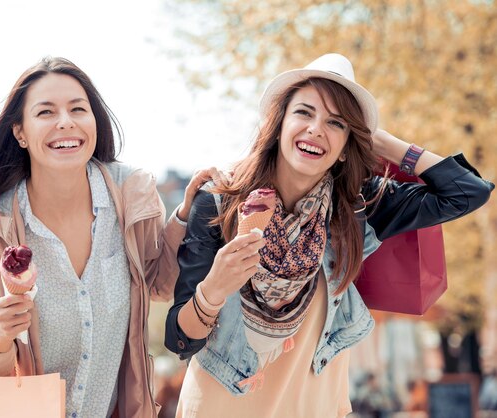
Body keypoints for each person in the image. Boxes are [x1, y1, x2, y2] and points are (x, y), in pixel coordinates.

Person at [164, 53, 494, 417]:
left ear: (344, 146)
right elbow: (179, 339)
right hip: (222, 404)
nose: (316, 129)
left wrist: (384, 143)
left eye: (336, 123)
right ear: (279, 125)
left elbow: (468, 192)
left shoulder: (359, 208)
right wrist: (212, 289)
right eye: (304, 112)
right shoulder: (221, 202)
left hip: (314, 404)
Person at [0, 56, 217, 418]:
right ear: (20, 133)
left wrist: (184, 216)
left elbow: (158, 285)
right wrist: (2, 333)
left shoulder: (132, 194)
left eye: (78, 109)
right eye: (46, 112)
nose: (65, 122)